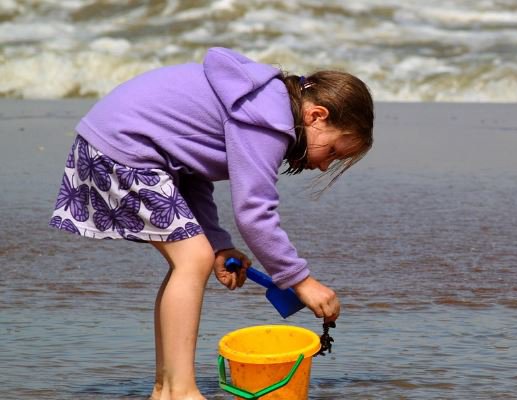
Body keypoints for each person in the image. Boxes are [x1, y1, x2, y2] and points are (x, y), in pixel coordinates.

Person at [49, 47, 374, 400]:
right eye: (333, 153)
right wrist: (300, 280)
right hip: (123, 149)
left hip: (114, 143)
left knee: (194, 257)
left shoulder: (260, 105)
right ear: (316, 115)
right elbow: (254, 211)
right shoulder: (270, 120)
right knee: (192, 260)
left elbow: (190, 171)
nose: (325, 166)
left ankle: (165, 389)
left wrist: (219, 244)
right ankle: (182, 391)